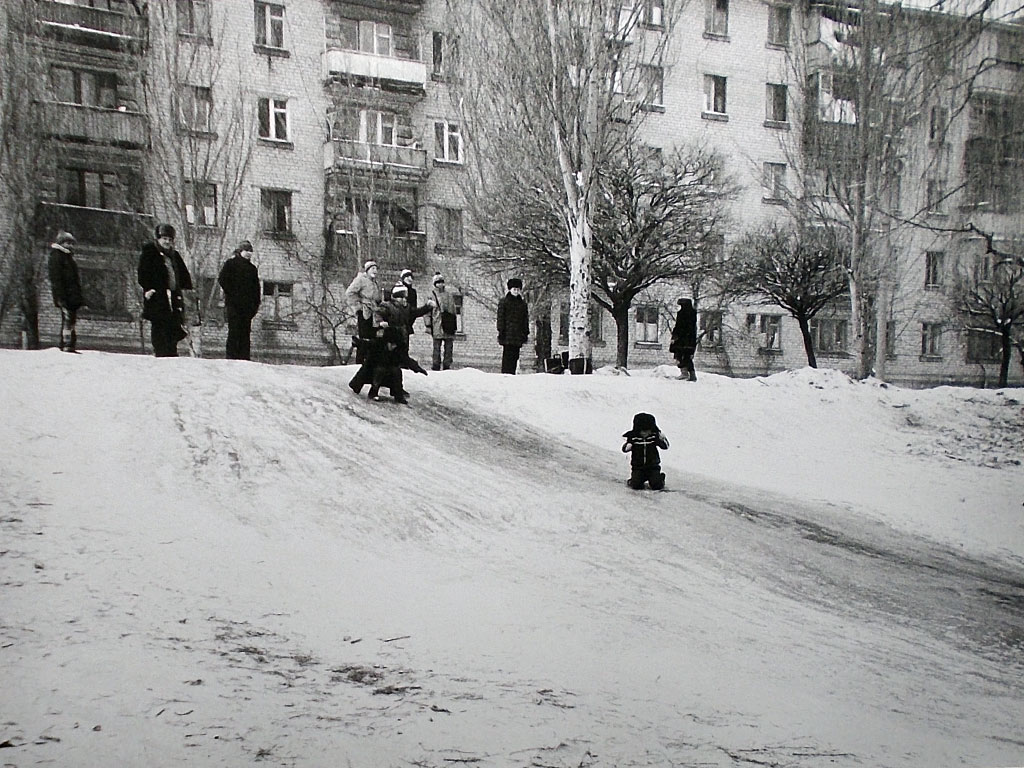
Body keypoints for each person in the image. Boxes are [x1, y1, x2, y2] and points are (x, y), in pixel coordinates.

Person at [138, 223, 193, 358]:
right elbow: (143, 272)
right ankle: (161, 352)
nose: (167, 242)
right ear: (158, 239)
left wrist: (187, 290)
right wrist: (149, 288)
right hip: (158, 296)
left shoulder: (174, 256)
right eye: (164, 239)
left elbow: (184, 275)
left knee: (173, 325)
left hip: (174, 297)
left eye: (170, 239)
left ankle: (171, 351)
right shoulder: (150, 253)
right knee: (159, 324)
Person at [217, 240, 261, 360]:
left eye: (250, 251)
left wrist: (255, 305)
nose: (248, 253)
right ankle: (231, 358)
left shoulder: (252, 269)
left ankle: (244, 359)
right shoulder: (231, 264)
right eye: (246, 250)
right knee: (234, 332)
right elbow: (222, 279)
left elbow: (256, 289)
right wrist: (232, 294)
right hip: (234, 306)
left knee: (245, 334)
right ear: (240, 251)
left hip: (247, 307)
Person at [47, 230, 84, 353]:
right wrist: (60, 297)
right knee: (67, 320)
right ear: (61, 243)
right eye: (68, 243)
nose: (70, 246)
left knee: (71, 320)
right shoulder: (57, 257)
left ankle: (70, 343)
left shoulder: (68, 258)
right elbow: (57, 279)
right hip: (65, 295)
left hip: (72, 296)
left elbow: (75, 280)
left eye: (72, 243)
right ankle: (66, 343)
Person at [622, 412, 670, 491]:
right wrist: (628, 446)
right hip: (638, 467)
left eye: (648, 431)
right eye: (642, 431)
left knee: (656, 485)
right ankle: (632, 480)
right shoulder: (634, 438)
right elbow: (624, 449)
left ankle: (660, 478)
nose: (645, 433)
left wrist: (662, 439)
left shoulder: (654, 437)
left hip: (653, 467)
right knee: (636, 485)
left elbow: (665, 447)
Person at [345, 260, 381, 362]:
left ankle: (369, 362)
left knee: (372, 338)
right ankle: (359, 362)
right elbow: (349, 293)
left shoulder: (375, 283)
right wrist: (358, 307)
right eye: (373, 268)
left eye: (376, 269)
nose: (375, 271)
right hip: (364, 312)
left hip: (374, 313)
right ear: (367, 270)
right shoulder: (361, 279)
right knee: (363, 339)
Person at [425, 272, 458, 371]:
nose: (440, 284)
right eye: (438, 282)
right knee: (436, 347)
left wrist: (454, 325)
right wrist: (428, 325)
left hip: (448, 325)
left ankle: (447, 365)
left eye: (442, 282)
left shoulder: (449, 295)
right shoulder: (431, 295)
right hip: (437, 325)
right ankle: (436, 365)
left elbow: (453, 311)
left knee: (448, 347)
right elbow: (427, 312)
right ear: (435, 284)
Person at [496, 277, 529, 374]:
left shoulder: (522, 304)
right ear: (510, 289)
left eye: (518, 289)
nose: (516, 291)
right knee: (507, 357)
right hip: (507, 334)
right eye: (514, 289)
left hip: (518, 335)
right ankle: (505, 374)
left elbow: (525, 319)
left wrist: (525, 333)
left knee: (515, 356)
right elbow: (500, 318)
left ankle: (512, 374)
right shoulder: (504, 302)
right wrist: (501, 331)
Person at [669, 297, 698, 381]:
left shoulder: (683, 314)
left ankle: (687, 373)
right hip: (689, 338)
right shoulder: (692, 313)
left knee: (683, 355)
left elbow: (679, 326)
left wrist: (675, 335)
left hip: (683, 338)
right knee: (684, 355)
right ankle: (688, 373)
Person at [399, 268, 431, 336]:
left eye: (411, 277)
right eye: (407, 277)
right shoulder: (399, 289)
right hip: (399, 323)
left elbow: (413, 310)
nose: (410, 279)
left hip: (408, 324)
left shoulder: (413, 292)